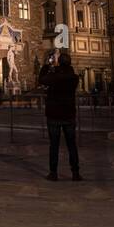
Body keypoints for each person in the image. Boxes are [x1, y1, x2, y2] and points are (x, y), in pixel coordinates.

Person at [38, 50, 81, 181]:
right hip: (69, 115)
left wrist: (46, 65)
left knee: (54, 145)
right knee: (72, 145)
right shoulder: (74, 78)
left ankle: (53, 173)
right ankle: (75, 173)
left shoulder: (54, 76)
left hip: (54, 115)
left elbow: (42, 79)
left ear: (59, 62)